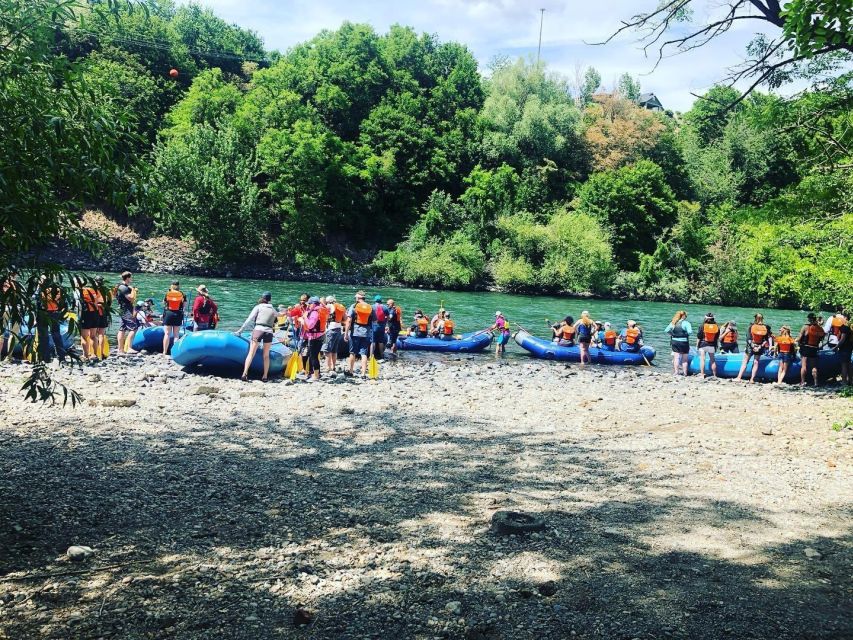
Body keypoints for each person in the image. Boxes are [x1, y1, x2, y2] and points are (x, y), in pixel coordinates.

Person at [237, 292, 277, 382]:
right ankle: (265, 376)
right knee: (266, 355)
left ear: (261, 298)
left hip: (258, 330)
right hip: (269, 332)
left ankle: (244, 373)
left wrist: (240, 331)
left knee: (251, 353)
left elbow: (249, 319)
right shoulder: (272, 308)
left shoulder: (258, 307)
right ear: (270, 299)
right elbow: (278, 315)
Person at [36, 276, 68, 362]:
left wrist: (38, 286)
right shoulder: (58, 290)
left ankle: (45, 358)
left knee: (44, 336)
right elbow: (64, 304)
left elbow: (35, 300)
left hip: (43, 314)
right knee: (56, 335)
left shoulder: (41, 290)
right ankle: (61, 357)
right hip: (55, 313)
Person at [736, 313, 773, 383]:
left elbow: (748, 338)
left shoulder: (751, 326)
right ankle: (752, 379)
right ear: (762, 318)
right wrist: (759, 347)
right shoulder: (765, 327)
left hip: (751, 346)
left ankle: (739, 377)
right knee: (756, 362)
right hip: (759, 347)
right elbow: (765, 340)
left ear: (755, 318)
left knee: (745, 362)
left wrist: (753, 346)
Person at [345, 291, 374, 378]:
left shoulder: (353, 306)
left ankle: (350, 371)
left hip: (355, 332)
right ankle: (363, 374)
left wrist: (346, 333)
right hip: (366, 333)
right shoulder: (370, 307)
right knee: (364, 353)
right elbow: (375, 320)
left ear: (357, 298)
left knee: (352, 352)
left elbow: (349, 320)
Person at [797, 312, 825, 387]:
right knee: (814, 366)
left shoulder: (805, 327)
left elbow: (799, 338)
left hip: (806, 347)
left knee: (804, 365)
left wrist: (797, 342)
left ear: (809, 319)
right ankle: (816, 383)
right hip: (814, 348)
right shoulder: (819, 328)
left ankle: (802, 382)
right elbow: (822, 337)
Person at [115, 271, 139, 356]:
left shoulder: (119, 286)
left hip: (122, 308)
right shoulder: (124, 287)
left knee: (122, 329)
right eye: (131, 277)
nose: (132, 279)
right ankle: (128, 348)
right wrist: (133, 289)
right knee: (134, 328)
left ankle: (120, 349)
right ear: (128, 278)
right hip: (126, 309)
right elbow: (131, 298)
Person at [301, 297, 325, 382]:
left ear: (313, 304)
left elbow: (310, 325)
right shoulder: (321, 310)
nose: (308, 306)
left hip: (314, 337)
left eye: (309, 304)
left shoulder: (315, 312)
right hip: (320, 335)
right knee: (314, 356)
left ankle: (316, 375)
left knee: (313, 356)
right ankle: (316, 373)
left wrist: (304, 318)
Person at [79, 279, 104, 361]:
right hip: (95, 314)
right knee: (93, 336)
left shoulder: (80, 291)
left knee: (84, 336)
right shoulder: (95, 290)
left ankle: (85, 356)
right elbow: (101, 302)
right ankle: (95, 355)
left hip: (85, 314)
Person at [161, 280, 186, 356]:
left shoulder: (168, 293)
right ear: (179, 285)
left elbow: (164, 303)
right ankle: (175, 353)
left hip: (169, 313)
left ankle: (164, 352)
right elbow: (184, 306)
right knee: (176, 335)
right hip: (178, 314)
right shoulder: (182, 294)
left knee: (167, 334)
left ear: (171, 285)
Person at [323, 295, 346, 373]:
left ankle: (328, 367)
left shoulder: (329, 306)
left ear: (328, 301)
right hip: (338, 329)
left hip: (330, 329)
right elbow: (345, 319)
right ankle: (333, 366)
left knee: (327, 349)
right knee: (334, 350)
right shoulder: (341, 306)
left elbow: (324, 315)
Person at [665, 310, 691, 376]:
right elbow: (690, 332)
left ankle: (676, 372)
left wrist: (672, 334)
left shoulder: (673, 323)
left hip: (675, 341)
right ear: (683, 316)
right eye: (686, 316)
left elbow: (666, 330)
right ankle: (685, 373)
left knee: (676, 357)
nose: (686, 317)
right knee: (684, 359)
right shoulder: (686, 323)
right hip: (684, 342)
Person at [695, 313, 720, 379]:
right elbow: (717, 337)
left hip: (703, 344)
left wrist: (697, 345)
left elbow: (699, 337)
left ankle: (702, 374)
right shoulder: (716, 326)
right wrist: (716, 345)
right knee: (713, 360)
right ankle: (715, 375)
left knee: (702, 359)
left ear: (705, 318)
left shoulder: (702, 326)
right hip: (712, 345)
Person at [832, 312, 851, 386]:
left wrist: (836, 347)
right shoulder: (849, 326)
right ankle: (850, 381)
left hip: (845, 348)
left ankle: (844, 382)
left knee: (844, 365)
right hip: (849, 347)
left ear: (845, 318)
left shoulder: (844, 327)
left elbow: (842, 339)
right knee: (849, 364)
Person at [95, 276, 111, 359]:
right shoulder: (106, 291)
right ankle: (101, 354)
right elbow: (109, 303)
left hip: (94, 313)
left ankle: (93, 353)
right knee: (101, 334)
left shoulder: (92, 290)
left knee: (93, 334)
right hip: (103, 313)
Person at [372, 295, 389, 359]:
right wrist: (385, 323)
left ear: (375, 300)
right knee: (381, 341)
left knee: (373, 341)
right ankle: (381, 355)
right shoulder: (385, 307)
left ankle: (371, 355)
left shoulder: (372, 307)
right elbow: (388, 317)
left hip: (374, 326)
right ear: (381, 300)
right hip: (382, 326)